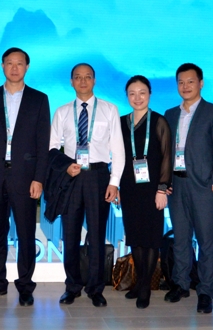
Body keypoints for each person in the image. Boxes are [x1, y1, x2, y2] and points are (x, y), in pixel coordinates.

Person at [0, 47, 50, 307]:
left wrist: (39, 178)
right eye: (10, 63)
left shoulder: (39, 99)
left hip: (25, 177)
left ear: (27, 67)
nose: (15, 68)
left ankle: (26, 286)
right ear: (2, 66)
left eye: (20, 63)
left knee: (26, 233)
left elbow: (43, 143)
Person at [48, 63, 125, 307]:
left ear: (94, 80)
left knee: (97, 235)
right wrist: (66, 166)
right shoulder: (62, 112)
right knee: (70, 235)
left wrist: (114, 182)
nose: (83, 81)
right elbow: (51, 147)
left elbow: (118, 150)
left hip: (98, 177)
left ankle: (95, 288)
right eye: (78, 77)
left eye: (87, 77)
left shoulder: (109, 109)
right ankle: (72, 286)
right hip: (72, 176)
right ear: (71, 81)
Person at [163, 63, 213, 314]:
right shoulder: (170, 114)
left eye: (190, 81)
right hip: (176, 185)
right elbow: (165, 152)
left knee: (206, 241)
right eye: (181, 82)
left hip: (203, 187)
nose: (185, 86)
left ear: (201, 83)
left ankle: (205, 291)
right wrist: (165, 182)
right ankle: (181, 284)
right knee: (180, 239)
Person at [119, 75, 171, 309]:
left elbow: (167, 157)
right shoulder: (121, 122)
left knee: (150, 239)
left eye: (142, 93)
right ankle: (140, 282)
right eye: (132, 93)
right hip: (129, 187)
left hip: (152, 189)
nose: (137, 97)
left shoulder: (159, 121)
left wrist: (162, 189)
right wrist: (116, 185)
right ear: (127, 96)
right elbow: (117, 156)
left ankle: (145, 288)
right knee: (135, 238)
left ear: (149, 94)